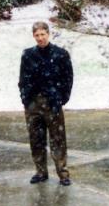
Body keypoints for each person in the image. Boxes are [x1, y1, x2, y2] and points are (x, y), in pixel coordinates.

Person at [18, 21, 74, 186]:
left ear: (48, 34)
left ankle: (63, 174)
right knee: (36, 139)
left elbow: (68, 78)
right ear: (33, 36)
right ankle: (40, 172)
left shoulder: (60, 54)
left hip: (53, 102)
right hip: (33, 103)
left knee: (58, 139)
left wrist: (62, 98)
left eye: (43, 34)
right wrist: (25, 98)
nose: (40, 38)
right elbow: (22, 79)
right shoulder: (28, 55)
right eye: (37, 35)